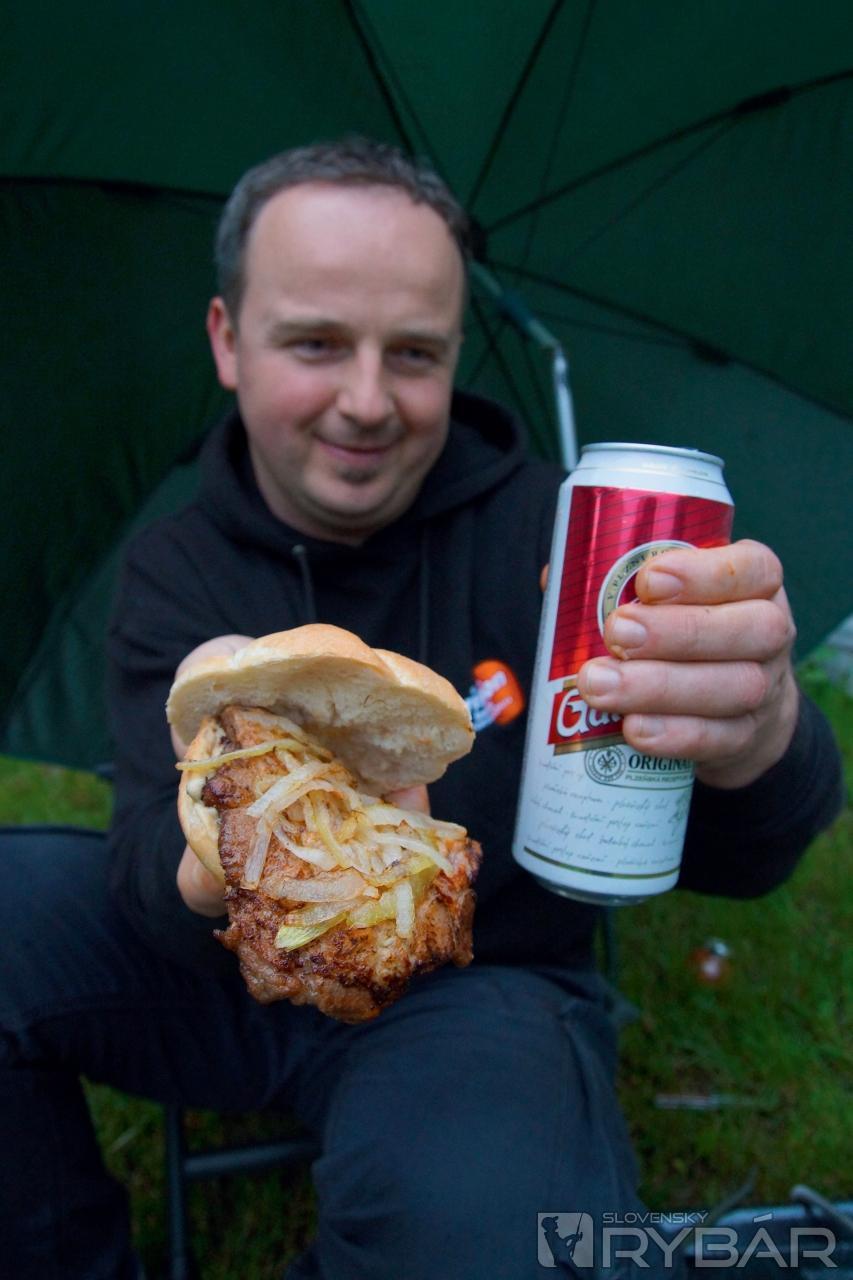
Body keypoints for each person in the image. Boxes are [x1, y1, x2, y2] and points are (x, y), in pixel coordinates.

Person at [0, 138, 842, 1280]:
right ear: (227, 341)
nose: (365, 402)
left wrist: (759, 730)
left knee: (495, 1238)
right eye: (314, 343)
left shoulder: (555, 539)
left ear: (456, 354)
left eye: (412, 353)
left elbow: (744, 857)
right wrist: (230, 846)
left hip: (473, 982)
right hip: (216, 982)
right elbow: (146, 872)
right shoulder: (173, 567)